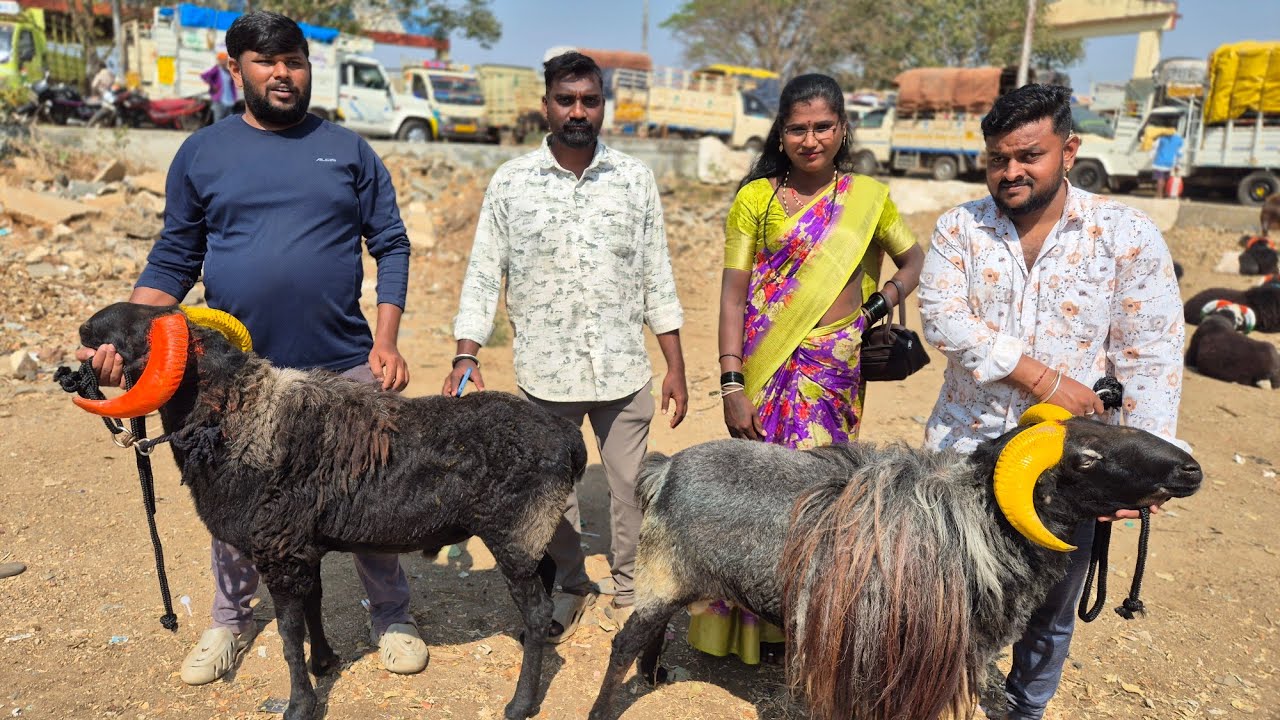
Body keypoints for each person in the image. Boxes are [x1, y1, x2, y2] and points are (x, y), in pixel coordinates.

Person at [74, 11, 424, 686]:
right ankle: (230, 620)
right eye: (265, 62)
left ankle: (392, 615)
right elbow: (175, 257)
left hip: (340, 357)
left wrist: (386, 341)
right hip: (229, 377)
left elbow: (392, 245)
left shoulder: (349, 150)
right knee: (232, 501)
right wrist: (124, 341)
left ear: (307, 65)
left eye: (293, 60)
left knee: (367, 491)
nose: (282, 73)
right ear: (235, 69)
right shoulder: (202, 153)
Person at [918, 84, 1185, 719]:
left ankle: (1024, 708)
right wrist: (1042, 378)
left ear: (1069, 150)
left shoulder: (1124, 234)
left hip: (1072, 469)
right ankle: (938, 695)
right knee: (949, 593)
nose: (1010, 172)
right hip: (964, 455)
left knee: (1052, 602)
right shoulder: (960, 228)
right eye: (997, 159)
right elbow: (942, 318)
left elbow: (1150, 354)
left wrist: (1141, 470)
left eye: (1028, 155)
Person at [445, 51, 688, 643]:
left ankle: (630, 592)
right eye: (566, 100)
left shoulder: (634, 179)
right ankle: (572, 584)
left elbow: (657, 273)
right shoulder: (512, 182)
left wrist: (675, 364)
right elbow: (484, 272)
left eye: (590, 100)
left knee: (631, 490)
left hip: (623, 370)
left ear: (603, 104)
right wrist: (466, 351)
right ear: (546, 105)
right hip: (544, 374)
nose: (578, 111)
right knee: (551, 495)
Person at [698, 73, 925, 664]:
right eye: (797, 128)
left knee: (823, 501)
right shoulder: (757, 199)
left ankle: (808, 627)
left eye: (823, 126)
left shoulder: (867, 198)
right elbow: (732, 297)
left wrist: (879, 305)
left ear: (843, 129)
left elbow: (913, 257)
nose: (810, 138)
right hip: (763, 372)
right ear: (781, 133)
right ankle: (747, 630)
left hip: (833, 373)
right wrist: (730, 381)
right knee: (755, 499)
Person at [201, 51, 238, 123]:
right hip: (219, 100)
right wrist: (212, 85)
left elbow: (232, 85)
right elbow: (204, 76)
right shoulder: (216, 69)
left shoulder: (228, 71)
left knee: (228, 123)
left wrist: (234, 97)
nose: (223, 61)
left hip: (229, 101)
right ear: (219, 61)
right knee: (218, 121)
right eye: (221, 60)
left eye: (225, 60)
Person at [1150, 129, 1184, 199]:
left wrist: (1151, 158)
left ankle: (1159, 195)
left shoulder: (1161, 138)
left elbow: (1154, 148)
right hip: (1169, 163)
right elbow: (1179, 153)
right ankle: (1164, 194)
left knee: (1160, 179)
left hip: (1159, 162)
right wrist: (1178, 164)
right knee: (1165, 179)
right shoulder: (1179, 140)